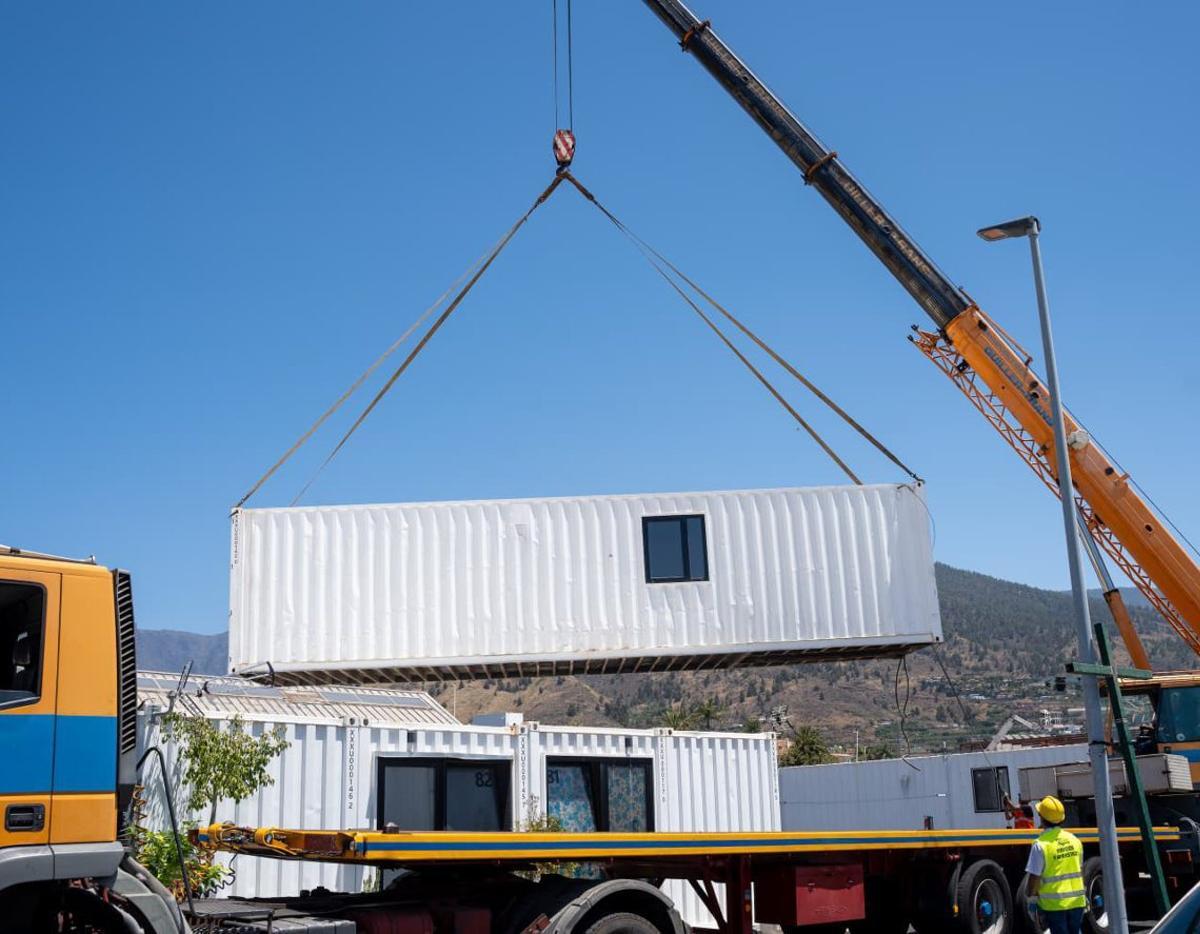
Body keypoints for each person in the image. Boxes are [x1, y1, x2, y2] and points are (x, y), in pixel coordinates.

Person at [1024, 796, 1086, 934]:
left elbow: (1035, 877)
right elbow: (1079, 871)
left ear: (1041, 817)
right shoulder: (1075, 840)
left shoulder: (1040, 845)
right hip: (1077, 902)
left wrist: (1031, 898)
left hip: (1054, 906)